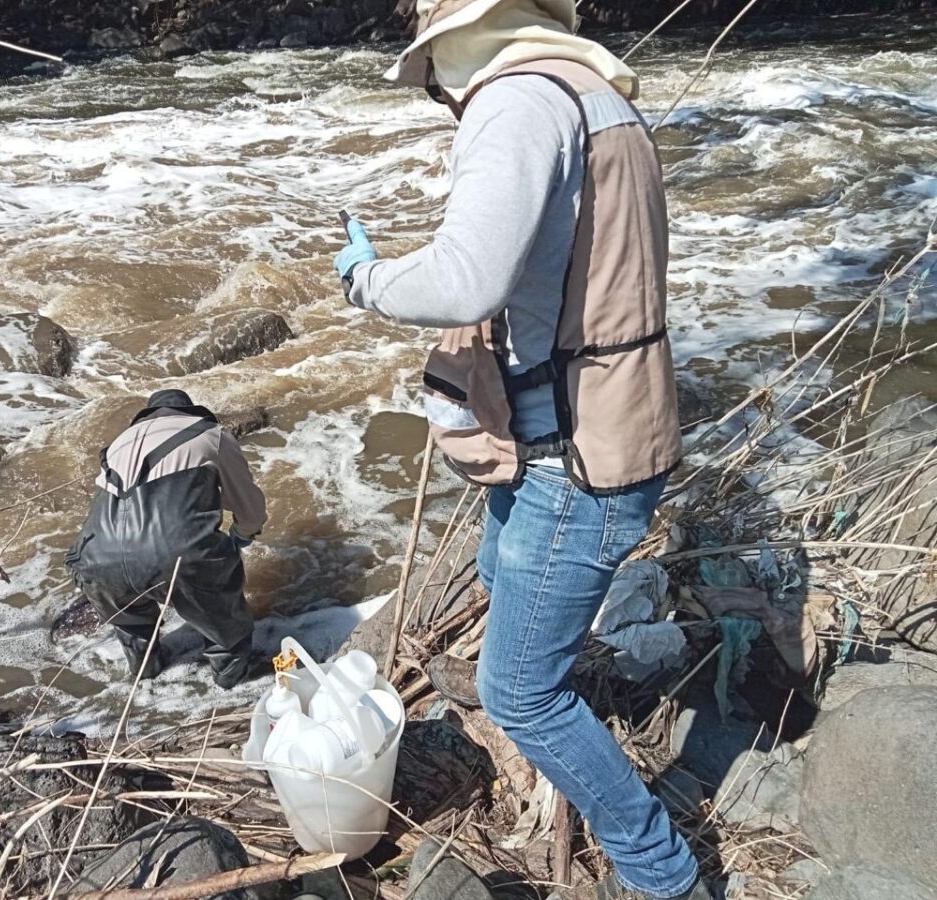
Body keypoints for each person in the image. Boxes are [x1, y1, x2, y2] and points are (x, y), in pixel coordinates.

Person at [333, 1, 706, 898]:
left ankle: (666, 876)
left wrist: (366, 279)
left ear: (457, 44)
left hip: (574, 456)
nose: (443, 99)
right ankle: (541, 681)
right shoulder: (599, 91)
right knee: (502, 574)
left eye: (436, 81)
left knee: (522, 696)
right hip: (612, 423)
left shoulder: (516, 101)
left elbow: (468, 275)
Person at [65, 389, 267, 689]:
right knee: (226, 631)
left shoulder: (118, 445)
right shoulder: (213, 434)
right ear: (191, 413)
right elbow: (251, 511)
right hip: (174, 554)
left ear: (147, 417)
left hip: (93, 557)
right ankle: (232, 689)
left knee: (134, 631)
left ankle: (146, 690)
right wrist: (239, 539)